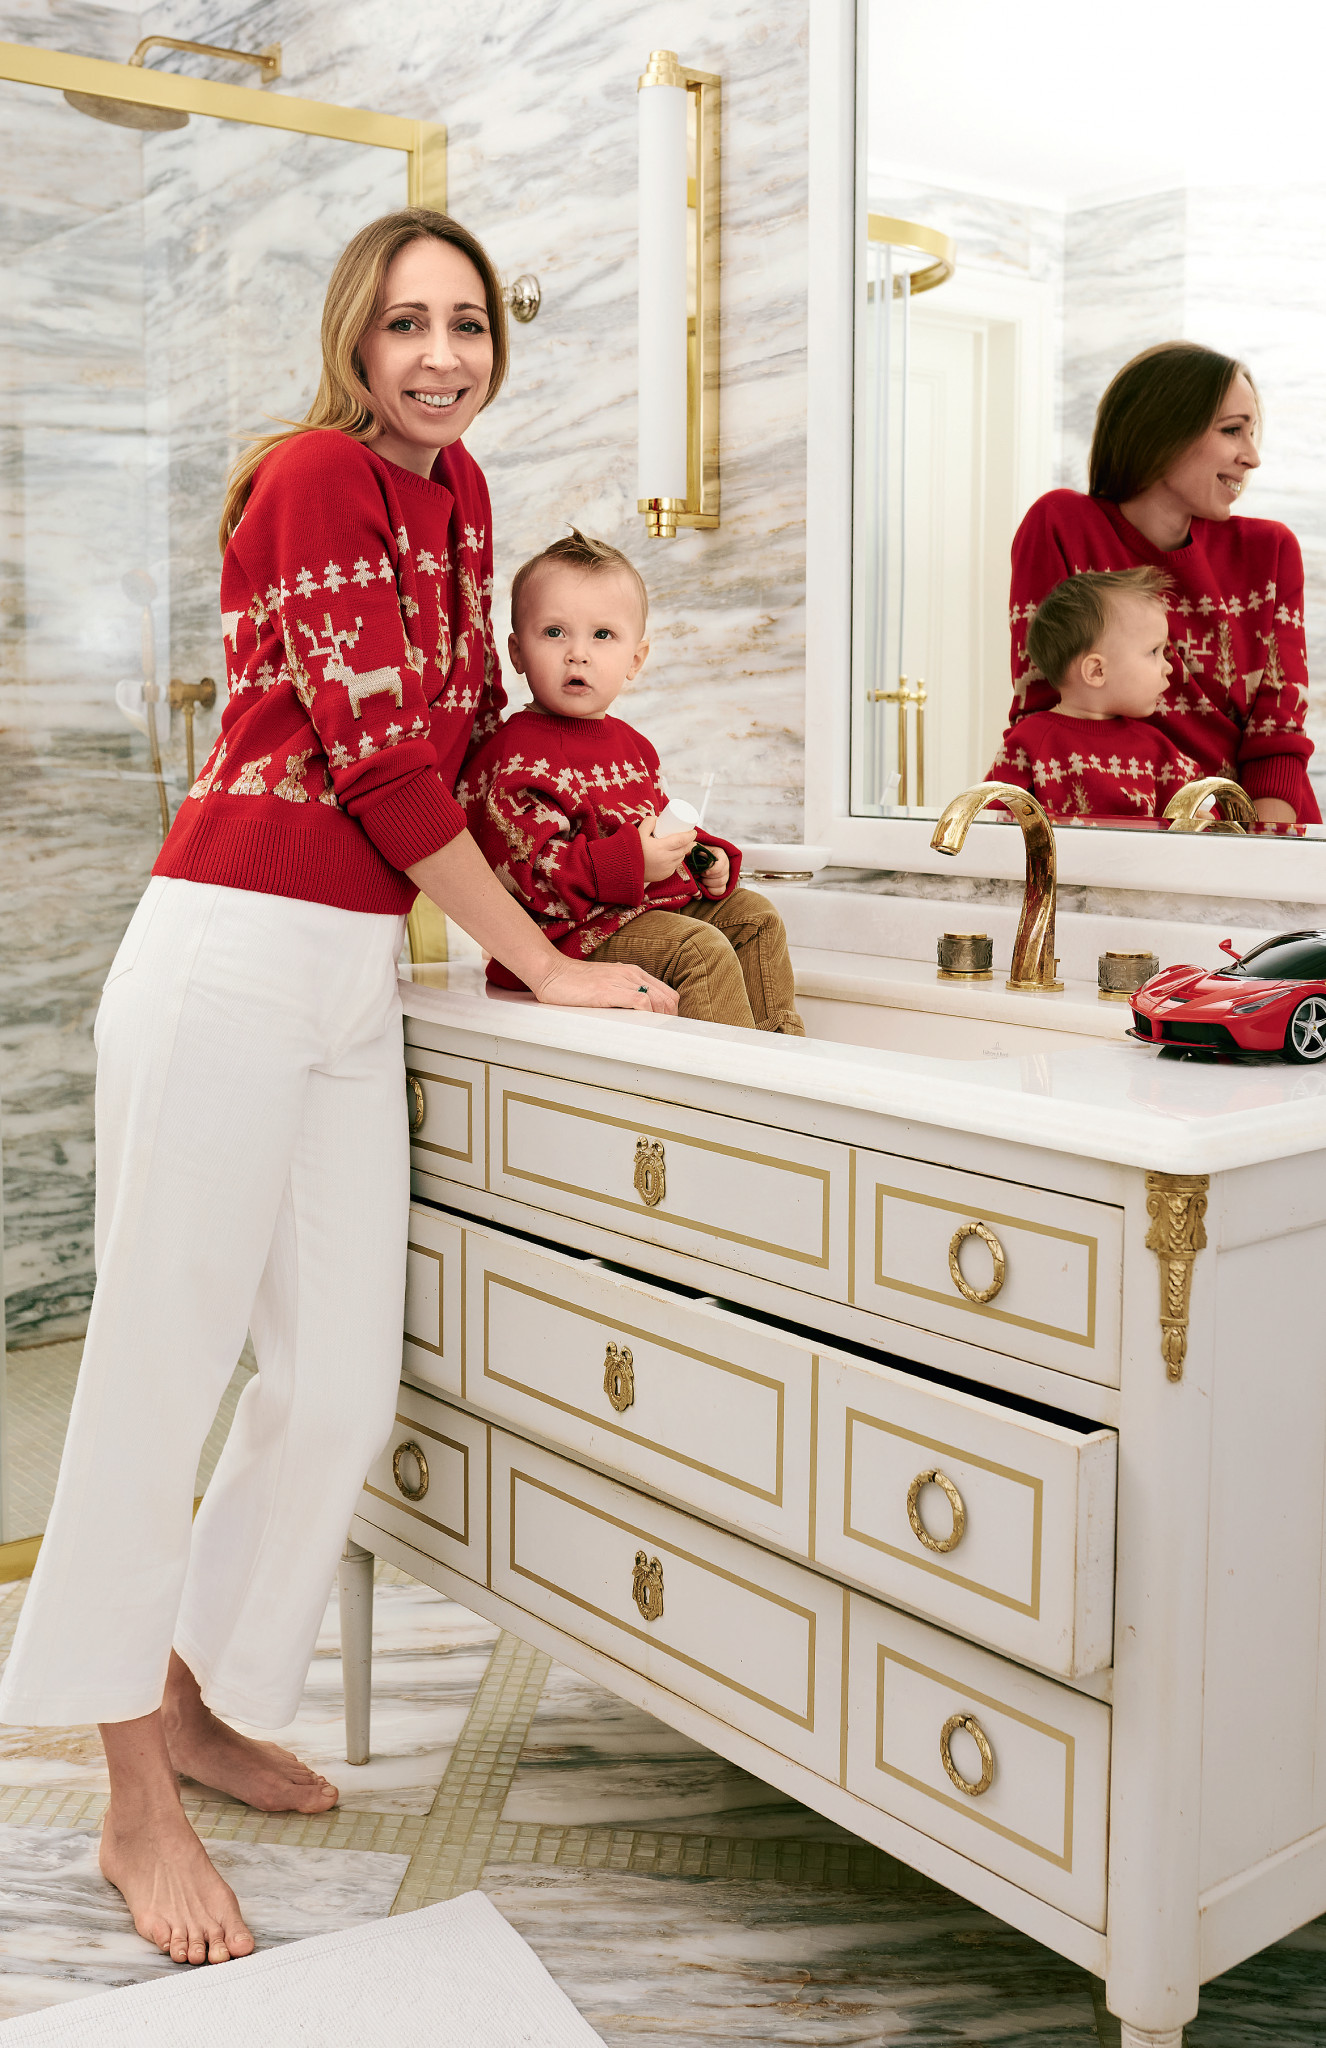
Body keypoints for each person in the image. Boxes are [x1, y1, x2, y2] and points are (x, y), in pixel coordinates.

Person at [0, 211, 677, 1970]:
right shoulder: (312, 476)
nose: (441, 354)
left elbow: (469, 752)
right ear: (353, 343)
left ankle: (193, 1691)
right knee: (157, 1373)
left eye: (467, 323)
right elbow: (380, 765)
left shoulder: (464, 499)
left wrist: (621, 848)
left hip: (351, 976)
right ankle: (129, 1794)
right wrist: (539, 962)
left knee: (336, 1390)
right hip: (227, 949)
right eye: (405, 324)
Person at [462, 530, 804, 1033]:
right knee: (700, 951)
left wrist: (702, 855)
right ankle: (724, 1082)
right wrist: (632, 862)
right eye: (554, 632)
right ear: (516, 652)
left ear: (635, 660)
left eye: (602, 635)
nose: (578, 653)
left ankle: (782, 1061)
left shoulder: (633, 746)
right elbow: (529, 877)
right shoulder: (516, 756)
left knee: (755, 918)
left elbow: (651, 825)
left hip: (635, 911)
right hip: (566, 937)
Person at [1003, 341, 1318, 824]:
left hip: (1250, 827)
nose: (1252, 457)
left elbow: (1278, 739)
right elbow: (1046, 713)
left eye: (1252, 433)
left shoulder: (1270, 551)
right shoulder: (1061, 525)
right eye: (1232, 430)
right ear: (1162, 430)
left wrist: (1255, 848)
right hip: (1114, 827)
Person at [987, 567, 1199, 818]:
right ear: (1097, 671)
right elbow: (991, 818)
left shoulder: (1158, 751)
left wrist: (1200, 817)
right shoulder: (1028, 743)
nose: (1169, 667)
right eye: (1154, 651)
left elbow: (1201, 805)